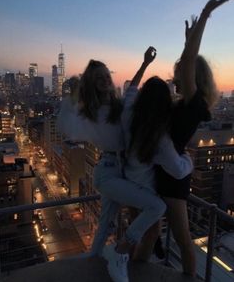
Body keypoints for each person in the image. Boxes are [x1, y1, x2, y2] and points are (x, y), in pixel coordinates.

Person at [58, 52, 193, 282]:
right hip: (109, 171)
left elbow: (132, 88)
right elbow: (66, 125)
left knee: (105, 225)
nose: (105, 80)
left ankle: (94, 260)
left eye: (106, 75)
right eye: (98, 78)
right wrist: (74, 94)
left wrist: (145, 64)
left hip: (118, 170)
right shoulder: (96, 112)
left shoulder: (124, 108)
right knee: (156, 208)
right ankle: (119, 255)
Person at [132, 0, 234, 277]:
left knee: (182, 239)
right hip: (165, 173)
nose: (175, 77)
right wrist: (187, 41)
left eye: (179, 73)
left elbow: (190, 61)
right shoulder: (187, 104)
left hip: (173, 181)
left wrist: (205, 15)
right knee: (151, 233)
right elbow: (188, 61)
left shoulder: (194, 104)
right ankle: (135, 271)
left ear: (193, 79)